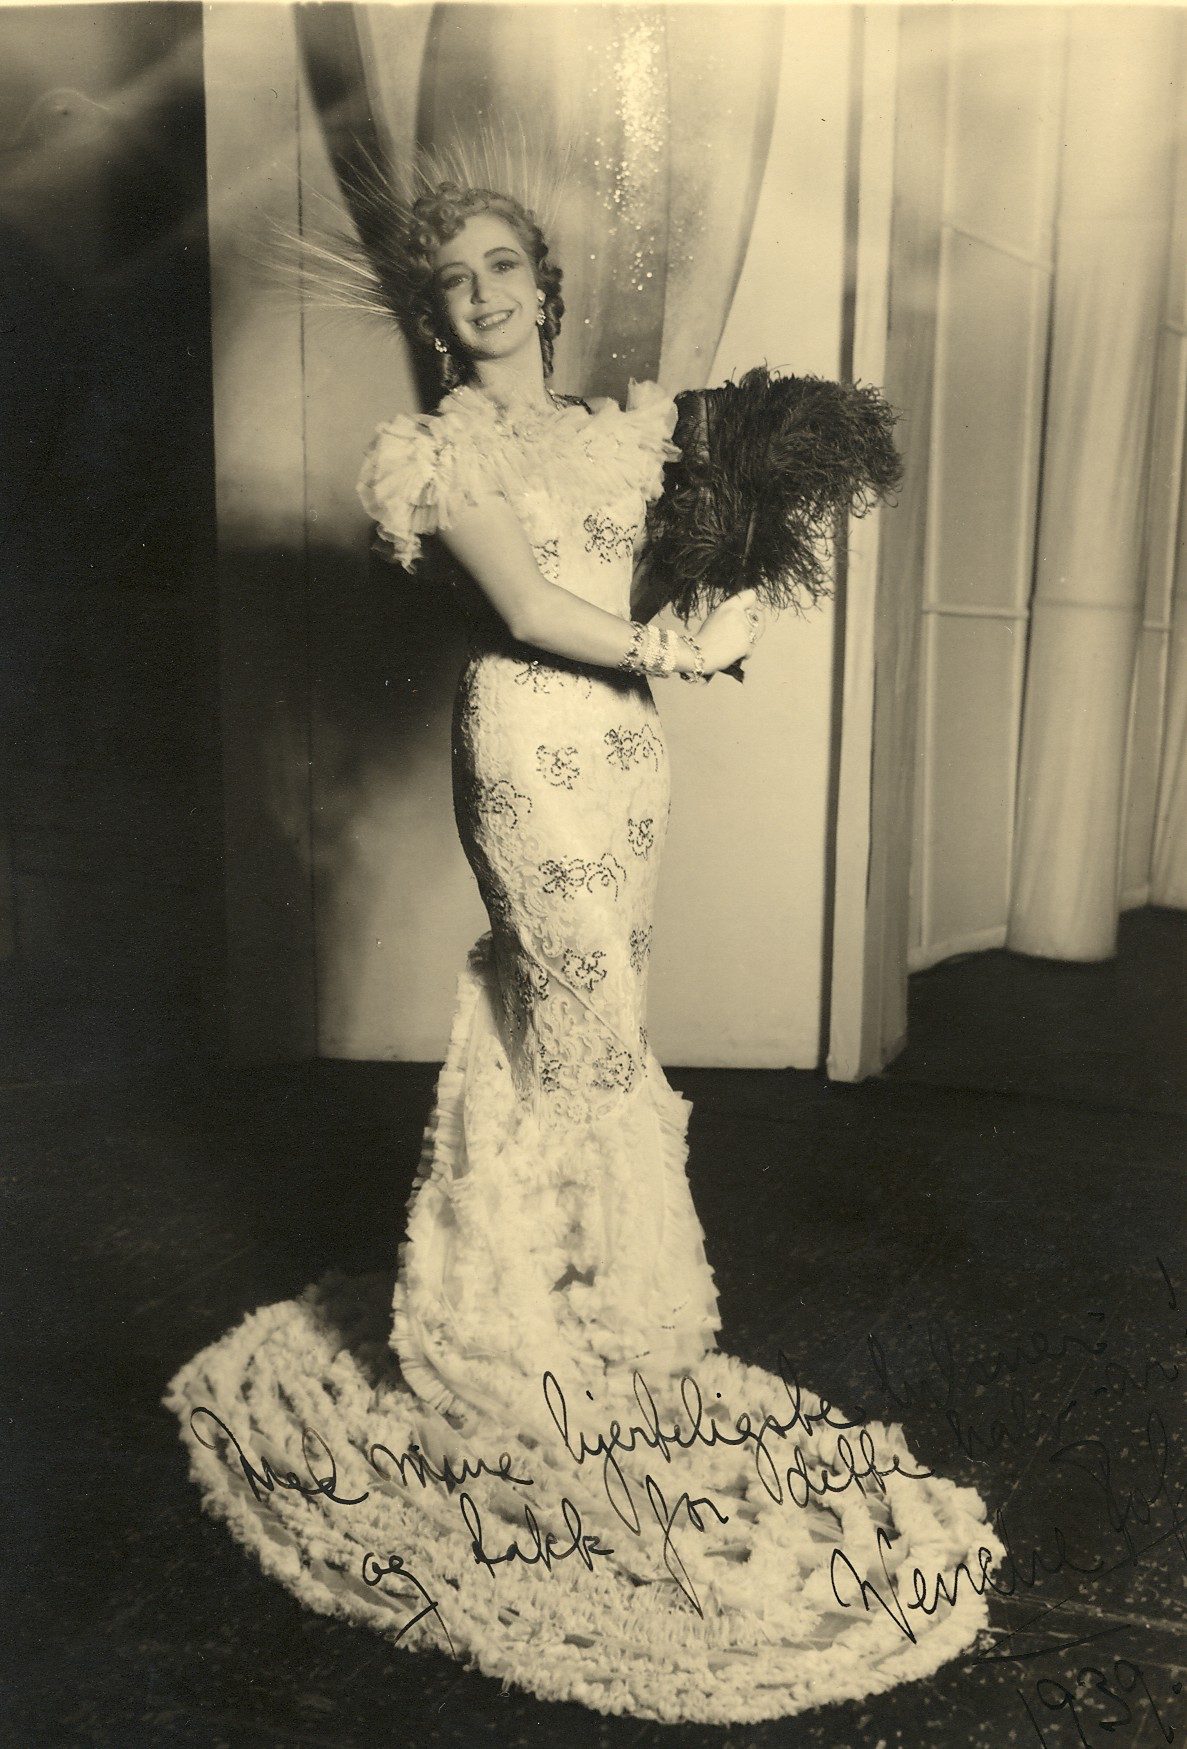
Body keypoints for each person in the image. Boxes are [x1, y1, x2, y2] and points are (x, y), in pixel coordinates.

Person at [167, 182, 1001, 1726]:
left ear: (544, 291)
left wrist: (730, 587)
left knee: (592, 1028)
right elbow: (535, 605)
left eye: (505, 268)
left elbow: (674, 565)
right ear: (436, 317)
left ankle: (588, 1297)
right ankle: (513, 1327)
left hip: (629, 756)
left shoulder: (628, 434)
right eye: (456, 281)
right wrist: (671, 643)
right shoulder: (438, 451)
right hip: (531, 749)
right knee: (579, 1019)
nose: (485, 295)